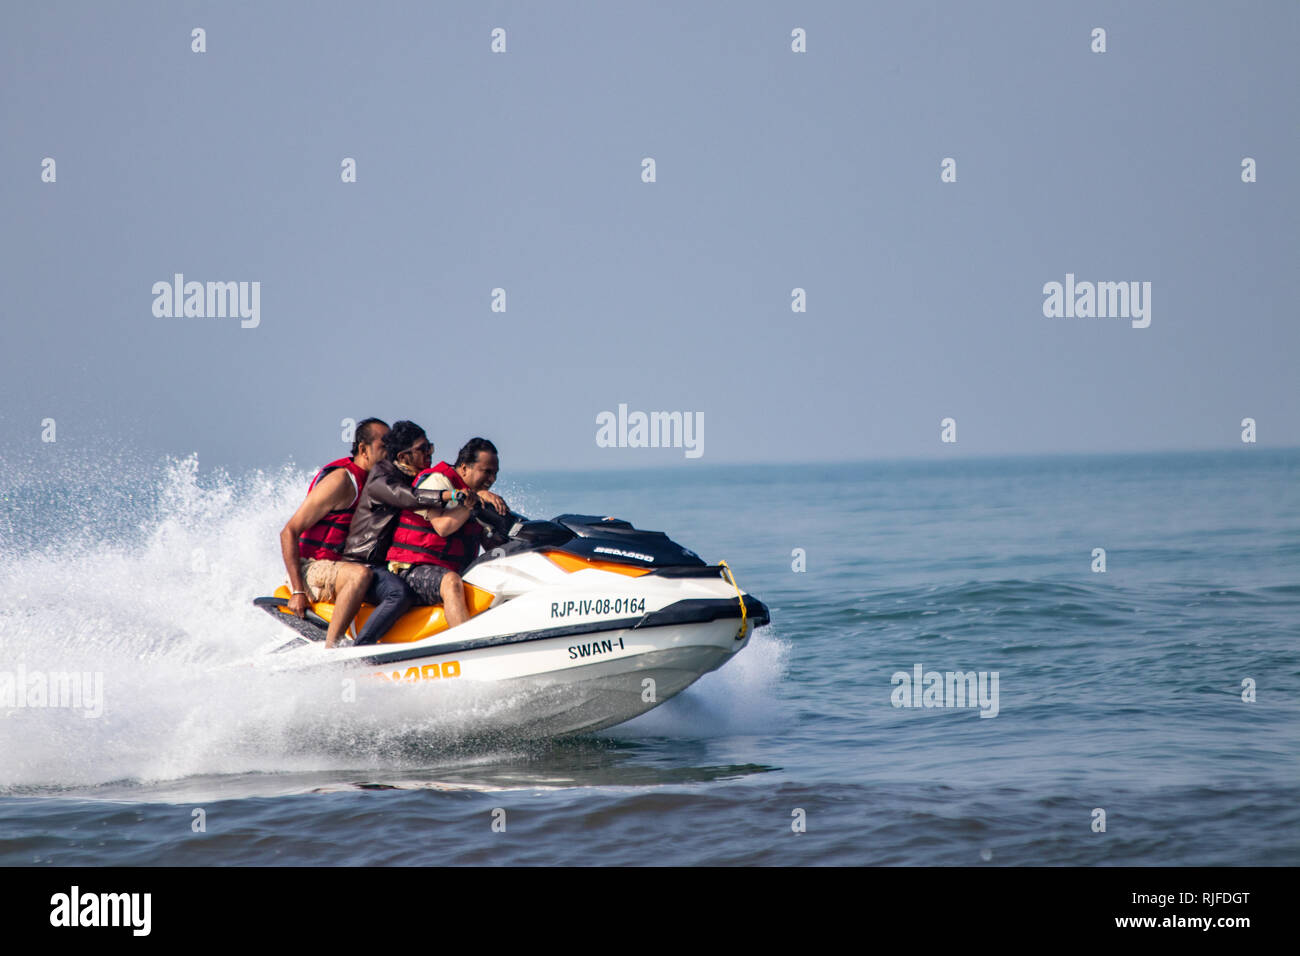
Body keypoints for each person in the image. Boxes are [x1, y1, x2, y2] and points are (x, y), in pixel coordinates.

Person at [340, 421, 457, 645]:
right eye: (423, 449)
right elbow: (407, 496)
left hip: (385, 566)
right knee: (399, 594)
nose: (430, 453)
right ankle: (361, 649)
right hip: (364, 564)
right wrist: (446, 496)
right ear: (404, 457)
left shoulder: (416, 476)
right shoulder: (381, 478)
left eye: (430, 447)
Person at [279, 418, 387, 648]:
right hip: (311, 568)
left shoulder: (378, 482)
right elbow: (288, 532)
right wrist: (298, 591)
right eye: (383, 447)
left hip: (340, 569)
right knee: (361, 576)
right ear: (363, 449)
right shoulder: (342, 480)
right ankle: (332, 649)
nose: (389, 454)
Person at [385, 438, 511, 627]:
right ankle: (467, 646)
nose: (492, 479)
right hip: (409, 570)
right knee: (451, 581)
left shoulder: (481, 498)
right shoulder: (438, 481)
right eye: (486, 472)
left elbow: (491, 543)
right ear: (464, 467)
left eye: (495, 474)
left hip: (449, 569)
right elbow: (443, 527)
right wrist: (473, 501)